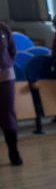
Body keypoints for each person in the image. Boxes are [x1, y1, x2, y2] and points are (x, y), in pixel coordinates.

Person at [0, 21, 21, 166]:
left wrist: (5, 65)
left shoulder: (3, 28)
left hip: (5, 75)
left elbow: (12, 50)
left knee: (8, 112)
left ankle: (14, 151)